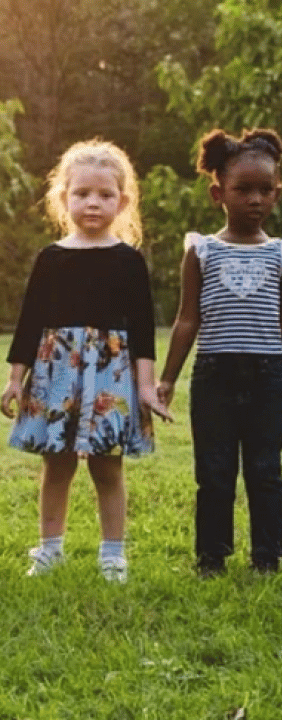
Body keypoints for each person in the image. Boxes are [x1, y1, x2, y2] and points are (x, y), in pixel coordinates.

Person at [1, 140, 171, 583]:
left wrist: (147, 387)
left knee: (107, 465)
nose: (92, 202)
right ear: (64, 198)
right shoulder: (51, 258)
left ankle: (113, 555)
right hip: (56, 372)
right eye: (81, 194)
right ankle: (49, 551)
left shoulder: (129, 261)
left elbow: (143, 329)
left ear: (122, 201)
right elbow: (29, 322)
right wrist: (15, 378)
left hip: (111, 375)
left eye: (104, 194)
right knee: (56, 463)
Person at [157, 129, 282, 578]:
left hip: (270, 376)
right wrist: (168, 379)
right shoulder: (201, 250)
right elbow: (187, 319)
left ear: (277, 193)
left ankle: (267, 558)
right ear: (218, 193)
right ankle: (212, 558)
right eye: (243, 189)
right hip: (214, 377)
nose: (255, 199)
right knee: (214, 473)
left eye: (265, 190)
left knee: (266, 470)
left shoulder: (280, 255)